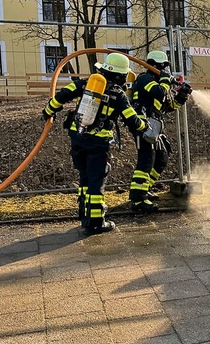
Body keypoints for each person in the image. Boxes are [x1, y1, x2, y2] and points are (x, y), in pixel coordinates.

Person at [42, 52, 147, 235]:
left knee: (84, 177)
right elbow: (132, 120)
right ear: (120, 75)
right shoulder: (117, 94)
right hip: (98, 143)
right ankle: (96, 222)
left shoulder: (85, 83)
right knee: (97, 180)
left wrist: (48, 111)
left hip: (77, 138)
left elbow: (61, 96)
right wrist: (143, 124)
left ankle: (84, 214)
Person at [128, 50, 190, 212]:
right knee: (146, 158)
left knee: (162, 156)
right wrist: (165, 80)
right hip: (142, 124)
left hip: (153, 124)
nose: (166, 70)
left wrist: (181, 96)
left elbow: (166, 107)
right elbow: (159, 91)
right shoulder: (145, 79)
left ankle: (145, 188)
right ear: (156, 66)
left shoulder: (156, 82)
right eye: (164, 67)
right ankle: (138, 199)